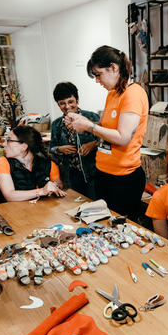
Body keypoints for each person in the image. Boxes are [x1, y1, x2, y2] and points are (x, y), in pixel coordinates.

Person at [65, 45, 149, 219]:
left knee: (121, 229)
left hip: (123, 178)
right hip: (104, 172)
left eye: (98, 74)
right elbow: (106, 129)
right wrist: (84, 122)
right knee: (104, 224)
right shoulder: (112, 94)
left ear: (113, 68)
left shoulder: (133, 94)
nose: (97, 81)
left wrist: (88, 126)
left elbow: (123, 137)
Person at [49, 81, 100, 199]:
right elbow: (51, 148)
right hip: (70, 175)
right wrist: (59, 149)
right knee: (75, 204)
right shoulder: (56, 125)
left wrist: (93, 144)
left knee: (95, 203)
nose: (67, 106)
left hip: (93, 172)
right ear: (58, 104)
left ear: (77, 99)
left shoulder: (92, 117)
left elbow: (106, 140)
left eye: (70, 101)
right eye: (62, 103)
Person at [0, 125, 66, 202]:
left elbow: (59, 184)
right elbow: (9, 195)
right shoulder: (3, 163)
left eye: (9, 140)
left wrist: (55, 187)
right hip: (11, 211)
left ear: (24, 146)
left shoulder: (49, 164)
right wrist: (42, 191)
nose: (4, 144)